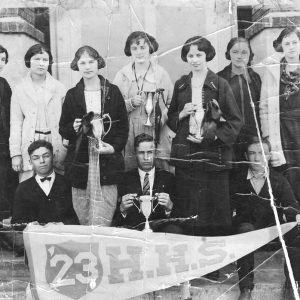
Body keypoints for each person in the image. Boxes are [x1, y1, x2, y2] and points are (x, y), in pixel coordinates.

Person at [167, 36, 242, 238]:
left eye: (199, 54)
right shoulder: (181, 85)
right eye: (190, 55)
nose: (195, 59)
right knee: (190, 213)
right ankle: (195, 265)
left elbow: (236, 122)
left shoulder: (220, 84)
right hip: (187, 160)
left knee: (216, 215)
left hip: (214, 160)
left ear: (207, 55)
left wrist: (211, 137)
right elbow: (170, 119)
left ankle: (216, 266)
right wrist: (181, 113)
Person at [59, 45, 128, 226]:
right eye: (82, 62)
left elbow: (123, 129)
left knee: (105, 209)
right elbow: (63, 129)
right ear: (77, 65)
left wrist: (112, 148)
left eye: (91, 61)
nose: (87, 66)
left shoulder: (112, 92)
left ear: (99, 63)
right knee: (83, 209)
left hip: (107, 159)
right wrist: (73, 128)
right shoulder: (72, 95)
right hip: (81, 161)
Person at [230, 136, 300, 300]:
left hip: (271, 232)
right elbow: (226, 207)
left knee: (297, 233)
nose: (257, 158)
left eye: (262, 153)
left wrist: (296, 215)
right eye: (252, 153)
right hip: (248, 231)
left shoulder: (278, 180)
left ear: (269, 156)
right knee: (244, 229)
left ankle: (292, 284)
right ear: (246, 157)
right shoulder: (238, 180)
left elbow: (291, 205)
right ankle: (246, 289)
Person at [113, 31, 174, 172]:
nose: (139, 52)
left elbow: (172, 104)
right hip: (129, 131)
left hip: (154, 130)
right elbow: (113, 107)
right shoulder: (122, 75)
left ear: (150, 48)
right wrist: (130, 103)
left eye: (143, 48)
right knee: (131, 169)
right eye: (134, 48)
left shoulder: (161, 73)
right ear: (129, 51)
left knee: (156, 169)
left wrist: (160, 119)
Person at [9, 44, 67, 183]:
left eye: (45, 60)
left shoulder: (59, 88)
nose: (41, 63)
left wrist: (65, 147)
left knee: (56, 185)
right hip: (30, 141)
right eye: (37, 59)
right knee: (28, 186)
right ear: (29, 61)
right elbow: (16, 123)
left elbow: (66, 122)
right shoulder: (20, 89)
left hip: (53, 141)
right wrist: (16, 154)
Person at [260, 26, 300, 205]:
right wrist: (267, 135)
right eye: (287, 43)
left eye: (295, 42)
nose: (291, 47)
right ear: (281, 46)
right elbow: (264, 105)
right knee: (289, 174)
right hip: (282, 130)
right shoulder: (273, 70)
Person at [113, 133, 182, 234]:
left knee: (175, 230)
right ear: (135, 153)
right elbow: (116, 221)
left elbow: (180, 218)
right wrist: (122, 209)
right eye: (141, 153)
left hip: (160, 230)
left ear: (155, 153)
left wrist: (170, 207)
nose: (146, 157)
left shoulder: (169, 178)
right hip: (134, 230)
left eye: (150, 152)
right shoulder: (124, 179)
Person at [11, 140, 79, 226]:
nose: (42, 161)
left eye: (46, 156)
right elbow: (16, 223)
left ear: (53, 157)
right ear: (30, 161)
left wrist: (61, 225)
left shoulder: (68, 183)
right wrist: (31, 225)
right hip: (35, 238)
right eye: (36, 158)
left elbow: (79, 217)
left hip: (65, 237)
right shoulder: (23, 188)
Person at [218, 37, 261, 162]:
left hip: (252, 138)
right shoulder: (219, 78)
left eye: (244, 52)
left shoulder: (255, 78)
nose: (239, 56)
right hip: (229, 139)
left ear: (250, 55)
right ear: (228, 54)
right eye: (235, 52)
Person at [0, 45, 16, 220]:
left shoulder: (3, 85)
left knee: (3, 187)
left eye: (3, 59)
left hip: (2, 148)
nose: (0, 63)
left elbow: (11, 117)